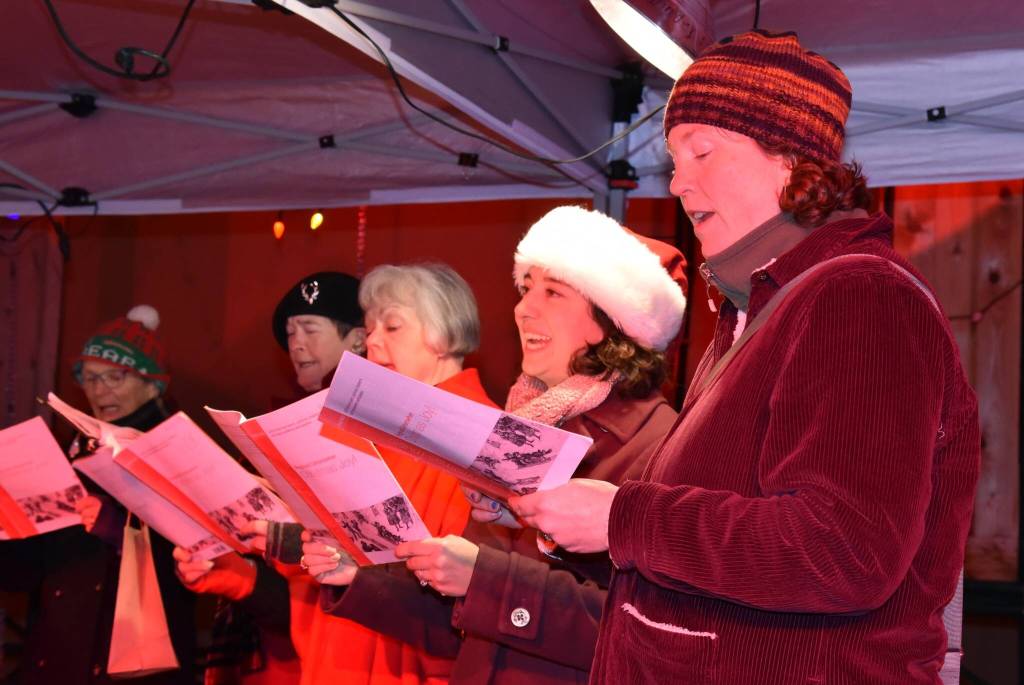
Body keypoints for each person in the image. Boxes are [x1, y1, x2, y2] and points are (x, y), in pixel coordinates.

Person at [509, 31, 980, 684]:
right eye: (674, 159)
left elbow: (844, 551)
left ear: (791, 161)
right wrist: (585, 524)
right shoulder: (756, 310)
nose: (678, 182)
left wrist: (623, 519)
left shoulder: (860, 296)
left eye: (702, 151)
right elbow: (715, 559)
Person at [302, 206, 687, 684]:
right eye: (526, 288)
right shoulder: (518, 430)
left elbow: (649, 633)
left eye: (553, 292)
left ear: (609, 320)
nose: (522, 308)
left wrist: (485, 580)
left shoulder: (661, 445)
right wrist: (359, 578)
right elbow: (461, 630)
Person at [178, 263, 494, 685]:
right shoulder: (374, 428)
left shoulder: (483, 438)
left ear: (446, 335)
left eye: (392, 327)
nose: (373, 342)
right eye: (371, 329)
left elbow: (461, 591)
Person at [174, 271, 365, 685]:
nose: (296, 343)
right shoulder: (281, 420)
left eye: (310, 328)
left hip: (330, 643)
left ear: (358, 339)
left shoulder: (364, 426)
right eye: (290, 332)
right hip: (270, 635)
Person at [0, 305, 197, 685]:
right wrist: (9, 528)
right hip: (56, 657)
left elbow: (201, 557)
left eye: (115, 377)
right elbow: (29, 573)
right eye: (90, 378)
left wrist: (116, 529)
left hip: (132, 662)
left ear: (153, 384)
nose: (99, 389)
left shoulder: (176, 451)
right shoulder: (73, 448)